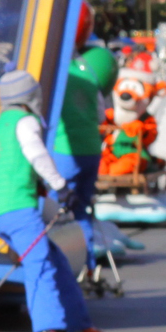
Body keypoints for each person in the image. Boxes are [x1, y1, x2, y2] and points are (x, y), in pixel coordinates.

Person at [0, 69, 127, 332]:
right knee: (42, 264)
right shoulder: (25, 122)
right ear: (30, 97)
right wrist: (60, 187)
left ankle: (78, 326)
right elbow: (36, 154)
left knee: (56, 261)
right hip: (18, 208)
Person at [55, 46, 117, 232]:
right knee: (82, 209)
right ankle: (87, 249)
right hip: (91, 149)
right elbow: (100, 116)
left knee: (57, 208)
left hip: (65, 149)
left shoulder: (58, 76)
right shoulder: (89, 76)